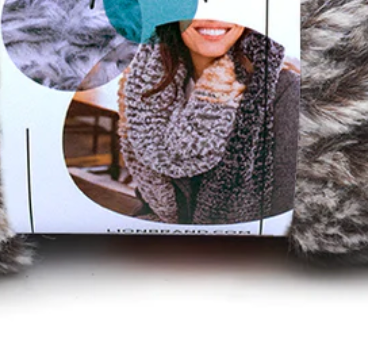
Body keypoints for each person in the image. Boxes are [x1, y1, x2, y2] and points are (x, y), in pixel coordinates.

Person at [117, 19, 300, 224]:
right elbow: (149, 201)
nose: (214, 17)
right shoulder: (147, 87)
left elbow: (286, 218)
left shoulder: (285, 92)